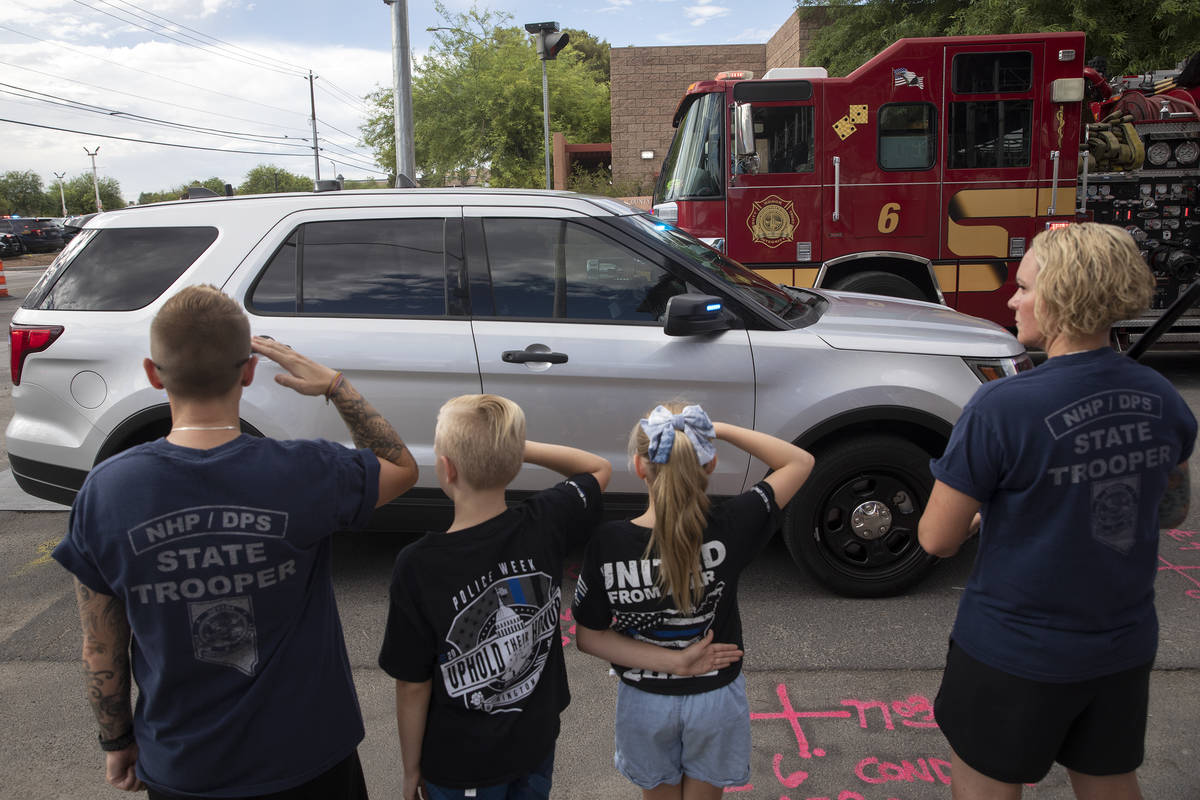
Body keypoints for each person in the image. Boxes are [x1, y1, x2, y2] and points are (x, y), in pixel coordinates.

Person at [52, 285, 420, 799]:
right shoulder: (307, 471)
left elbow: (101, 645)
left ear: (153, 374)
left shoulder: (106, 491)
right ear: (248, 371)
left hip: (184, 766)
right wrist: (336, 386)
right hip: (310, 759)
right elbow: (401, 467)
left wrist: (116, 741)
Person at [918, 223, 1196, 800]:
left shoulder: (1002, 407)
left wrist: (980, 513)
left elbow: (936, 540)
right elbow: (1169, 510)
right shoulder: (1162, 397)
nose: (1011, 299)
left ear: (1064, 297)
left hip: (1013, 652)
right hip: (1121, 646)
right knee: (1110, 782)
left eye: (1023, 287)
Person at [377, 395, 736, 800]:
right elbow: (595, 468)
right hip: (535, 743)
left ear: (445, 468)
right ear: (514, 465)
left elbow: (412, 683)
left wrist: (410, 768)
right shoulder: (545, 520)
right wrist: (509, 449)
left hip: (460, 763)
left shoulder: (418, 565)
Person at [573, 402, 815, 800]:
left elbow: (590, 637)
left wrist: (674, 663)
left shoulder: (609, 542)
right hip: (714, 699)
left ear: (638, 466)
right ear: (711, 463)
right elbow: (799, 462)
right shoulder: (732, 525)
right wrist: (717, 429)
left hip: (645, 702)